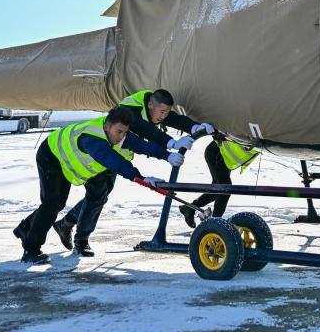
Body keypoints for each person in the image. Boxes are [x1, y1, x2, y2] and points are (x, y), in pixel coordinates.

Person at [47, 88, 211, 253]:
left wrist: (194, 127)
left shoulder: (153, 108)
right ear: (151, 105)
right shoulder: (129, 111)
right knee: (97, 196)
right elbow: (146, 132)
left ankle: (66, 223)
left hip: (115, 159)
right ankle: (80, 239)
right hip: (107, 157)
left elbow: (172, 119)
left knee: (99, 196)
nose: (163, 117)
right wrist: (170, 145)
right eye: (161, 112)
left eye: (165, 113)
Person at [13, 106, 173, 264]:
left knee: (72, 201)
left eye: (124, 132)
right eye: (119, 132)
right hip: (51, 156)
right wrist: (140, 177)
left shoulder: (117, 131)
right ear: (107, 126)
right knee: (52, 204)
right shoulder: (92, 139)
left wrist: (168, 155)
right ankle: (31, 249)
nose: (121, 137)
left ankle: (27, 228)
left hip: (68, 161)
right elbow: (113, 160)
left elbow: (141, 145)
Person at [180, 135, 261, 228]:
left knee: (219, 189)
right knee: (225, 189)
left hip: (223, 157)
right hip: (217, 153)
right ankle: (215, 224)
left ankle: (189, 208)